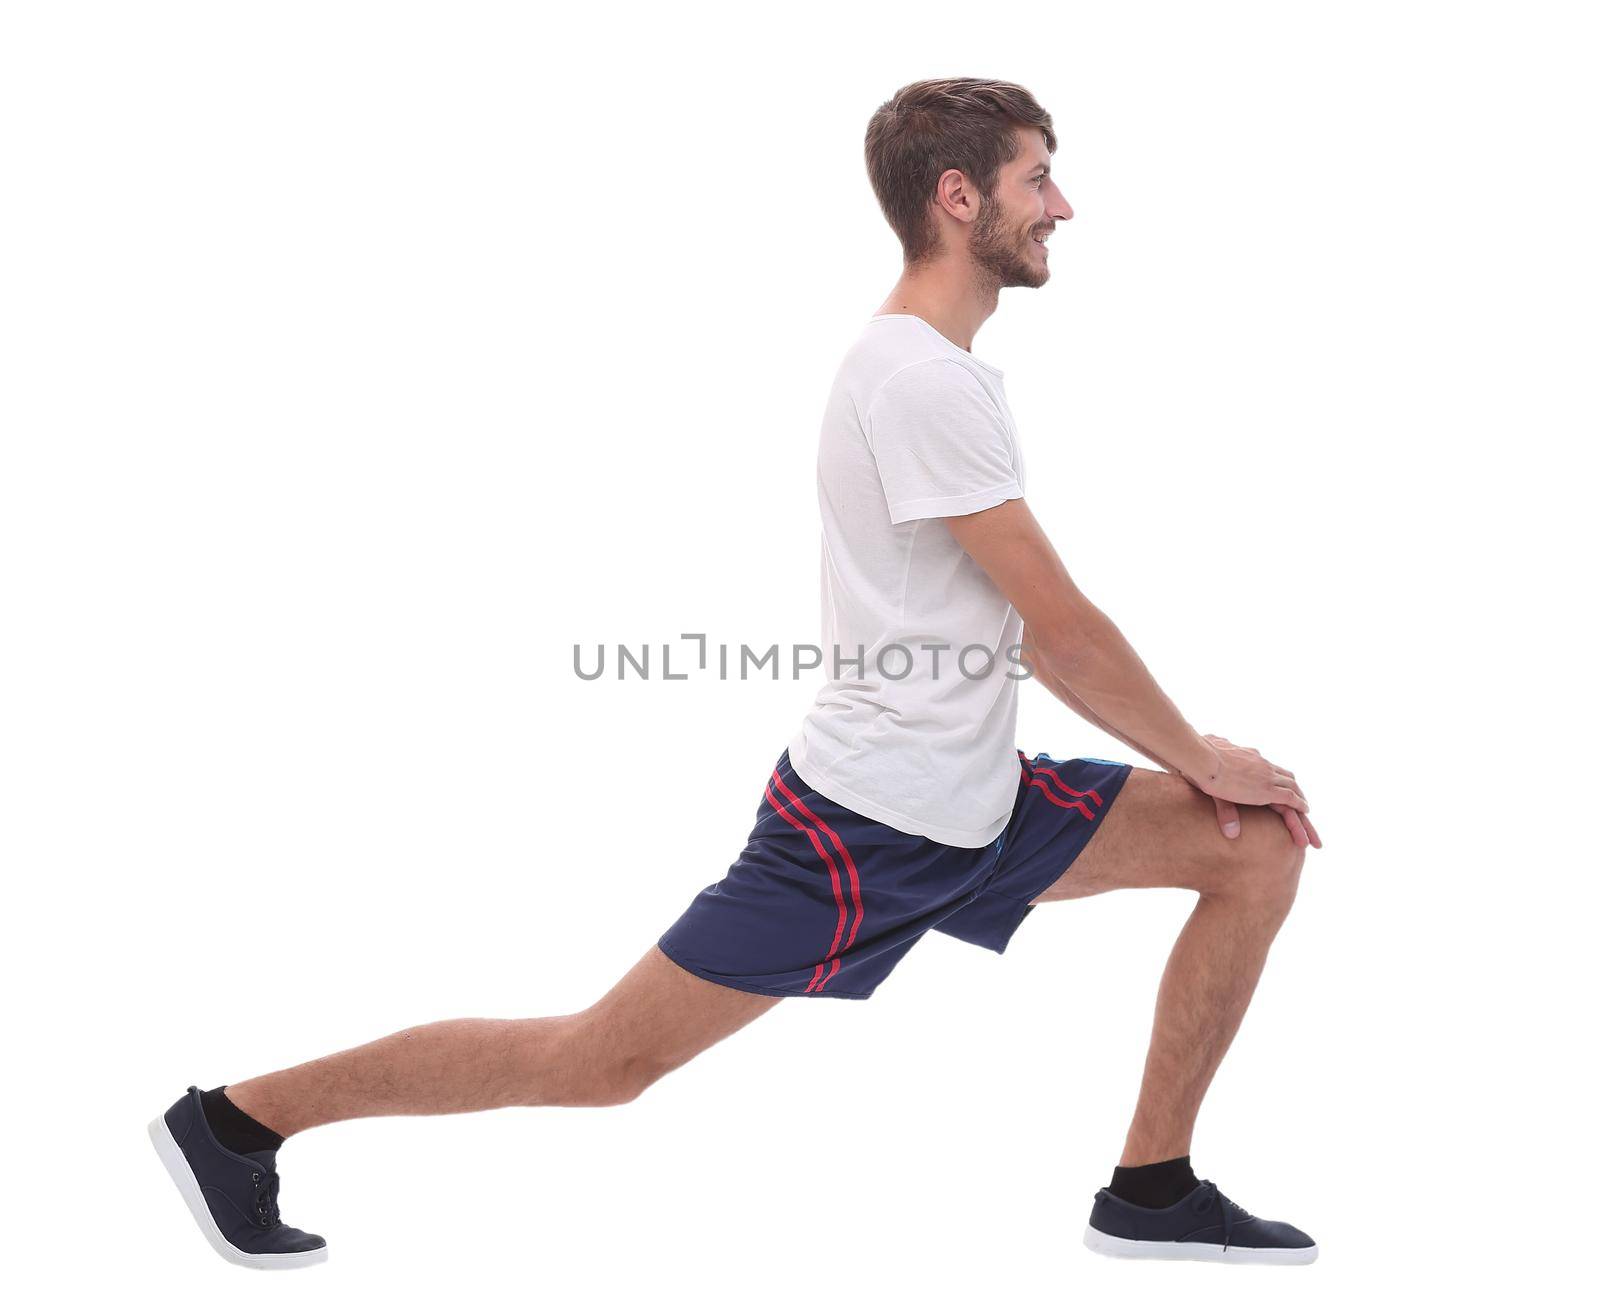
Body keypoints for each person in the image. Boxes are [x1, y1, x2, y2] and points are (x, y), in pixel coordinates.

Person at [149, 76, 1322, 1270]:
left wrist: (1203, 779)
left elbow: (1016, 629)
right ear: (956, 197)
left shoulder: (933, 369)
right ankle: (237, 1121)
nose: (1060, 205)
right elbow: (1061, 630)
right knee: (597, 1062)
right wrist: (1201, 756)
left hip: (975, 800)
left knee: (1256, 847)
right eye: (1035, 178)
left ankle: (1151, 1188)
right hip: (868, 824)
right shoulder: (919, 379)